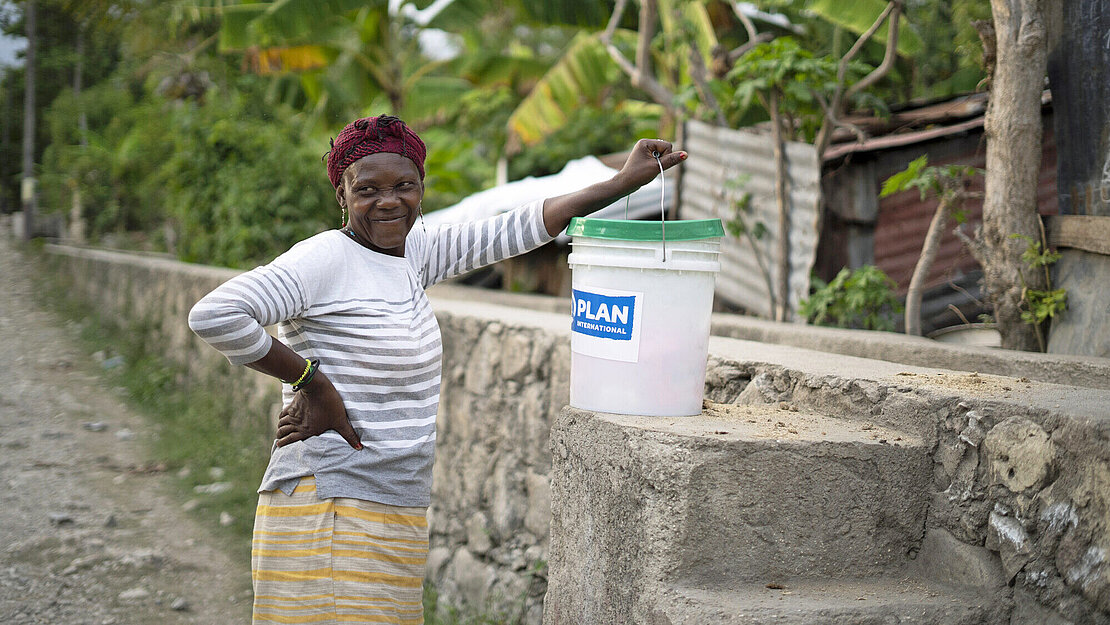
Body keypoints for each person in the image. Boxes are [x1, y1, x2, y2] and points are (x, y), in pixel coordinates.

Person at [188, 114, 686, 625]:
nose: (388, 201)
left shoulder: (413, 253)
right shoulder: (324, 260)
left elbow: (518, 227)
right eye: (367, 189)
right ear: (342, 194)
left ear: (422, 189)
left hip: (392, 506)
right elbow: (215, 315)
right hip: (330, 507)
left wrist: (623, 183)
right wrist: (313, 383)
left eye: (403, 186)